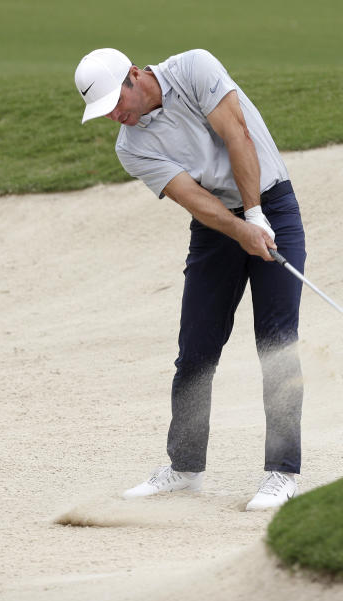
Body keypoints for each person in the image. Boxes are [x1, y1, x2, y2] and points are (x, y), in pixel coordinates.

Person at [74, 48, 306, 509]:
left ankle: (281, 473)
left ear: (135, 76)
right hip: (216, 226)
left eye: (115, 103)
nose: (114, 116)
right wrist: (242, 229)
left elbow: (237, 135)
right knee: (195, 348)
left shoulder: (195, 68)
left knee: (276, 343)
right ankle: (184, 467)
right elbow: (195, 199)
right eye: (103, 112)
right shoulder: (131, 146)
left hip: (272, 202)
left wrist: (257, 215)